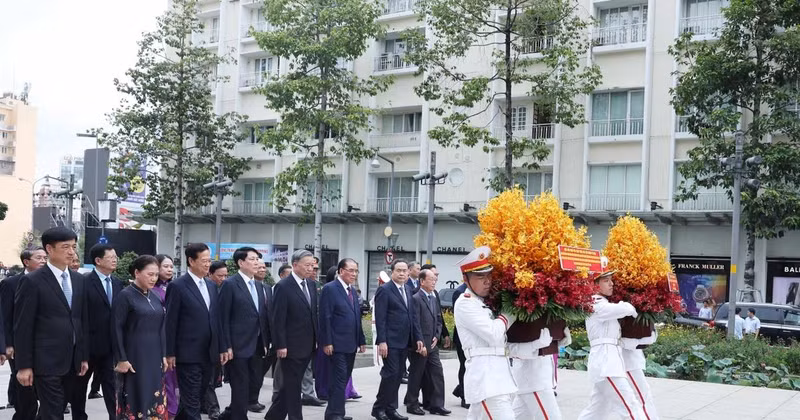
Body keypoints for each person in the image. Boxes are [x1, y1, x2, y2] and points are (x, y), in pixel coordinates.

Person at [14, 227, 88, 420]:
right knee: (54, 411)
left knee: (52, 411)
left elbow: (81, 321)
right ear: (49, 249)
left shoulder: (79, 280)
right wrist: (23, 366)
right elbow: (22, 326)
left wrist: (83, 356)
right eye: (65, 247)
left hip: (72, 361)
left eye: (73, 246)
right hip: (45, 362)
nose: (72, 252)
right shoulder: (32, 281)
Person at [453, 246, 517, 420]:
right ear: (465, 279)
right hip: (487, 380)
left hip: (496, 378)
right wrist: (510, 312)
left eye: (489, 275)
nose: (487, 281)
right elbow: (494, 333)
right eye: (480, 276)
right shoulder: (466, 303)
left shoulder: (483, 302)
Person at [166, 243, 225, 420]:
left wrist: (222, 347)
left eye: (209, 260)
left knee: (196, 397)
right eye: (204, 261)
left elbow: (216, 320)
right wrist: (170, 352)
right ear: (191, 261)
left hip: (209, 353)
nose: (208, 265)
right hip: (187, 353)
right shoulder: (178, 286)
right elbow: (170, 322)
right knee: (192, 401)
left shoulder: (211, 285)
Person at [577, 271, 646, 420]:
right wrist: (628, 305)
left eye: (611, 280)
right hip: (606, 364)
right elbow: (623, 310)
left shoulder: (602, 303)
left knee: (596, 411)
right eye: (606, 280)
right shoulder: (595, 303)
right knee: (630, 405)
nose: (611, 284)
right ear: (594, 285)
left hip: (608, 362)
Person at [112, 255, 168, 419]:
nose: (154, 278)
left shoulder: (155, 296)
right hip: (134, 355)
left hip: (154, 355)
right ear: (137, 272)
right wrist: (121, 358)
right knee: (136, 395)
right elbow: (116, 328)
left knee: (154, 394)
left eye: (156, 275)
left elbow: (161, 327)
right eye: (150, 274)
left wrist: (164, 354)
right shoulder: (125, 296)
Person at [266, 249, 318, 420]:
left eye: (313, 265)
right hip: (290, 346)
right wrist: (280, 344)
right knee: (294, 387)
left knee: (289, 385)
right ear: (295, 265)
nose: (311, 268)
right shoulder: (283, 286)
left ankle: (274, 416)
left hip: (308, 344)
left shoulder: (310, 284)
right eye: (308, 265)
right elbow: (278, 319)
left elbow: (312, 314)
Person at [220, 247, 271, 420]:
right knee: (240, 387)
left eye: (258, 259)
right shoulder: (230, 284)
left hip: (257, 344)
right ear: (241, 263)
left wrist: (266, 342)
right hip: (237, 345)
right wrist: (226, 345)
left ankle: (229, 415)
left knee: (253, 384)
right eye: (253, 259)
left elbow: (261, 316)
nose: (257, 262)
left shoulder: (258, 285)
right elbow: (223, 318)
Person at [74, 244, 123, 420]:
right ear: (98, 260)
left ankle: (115, 417)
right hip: (88, 347)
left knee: (112, 386)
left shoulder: (117, 283)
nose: (115, 259)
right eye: (111, 257)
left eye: (115, 256)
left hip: (110, 347)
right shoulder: (84, 282)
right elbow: (79, 317)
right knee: (79, 387)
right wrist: (81, 350)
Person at [372, 259, 425, 420]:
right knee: (390, 375)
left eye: (404, 271)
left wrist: (418, 337)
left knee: (397, 376)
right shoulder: (385, 290)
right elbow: (380, 318)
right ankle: (379, 408)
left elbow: (413, 317)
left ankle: (390, 409)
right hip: (390, 341)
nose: (402, 273)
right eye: (398, 270)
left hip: (405, 341)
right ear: (392, 272)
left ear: (408, 273)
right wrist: (382, 341)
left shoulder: (408, 290)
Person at [0, 247, 46, 419]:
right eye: (39, 257)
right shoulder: (10, 284)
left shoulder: (48, 281)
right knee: (25, 387)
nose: (43, 260)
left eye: (45, 257)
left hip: (43, 343)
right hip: (19, 344)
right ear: (26, 262)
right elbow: (5, 316)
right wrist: (8, 343)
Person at [318, 259, 366, 420]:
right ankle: (335, 414)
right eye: (350, 270)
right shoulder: (330, 289)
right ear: (340, 271)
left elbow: (356, 317)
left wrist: (361, 339)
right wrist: (327, 341)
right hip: (336, 344)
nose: (353, 274)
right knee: (339, 379)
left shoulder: (351, 290)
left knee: (343, 379)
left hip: (350, 344)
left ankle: (335, 411)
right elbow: (325, 316)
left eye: (356, 271)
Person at [404, 269, 450, 416]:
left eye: (435, 279)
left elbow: (438, 319)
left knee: (437, 373)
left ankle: (436, 404)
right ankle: (412, 404)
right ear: (422, 281)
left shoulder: (434, 297)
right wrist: (420, 342)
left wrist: (437, 336)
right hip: (420, 344)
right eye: (431, 279)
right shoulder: (416, 298)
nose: (434, 281)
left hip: (432, 344)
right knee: (417, 375)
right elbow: (415, 322)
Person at [507, 324, 571, 419]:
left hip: (535, 382)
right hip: (535, 382)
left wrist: (557, 342)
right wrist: (535, 345)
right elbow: (508, 348)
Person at [202, 260, 229, 419]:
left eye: (226, 275)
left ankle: (205, 405)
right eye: (220, 276)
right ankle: (213, 409)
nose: (223, 279)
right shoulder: (206, 289)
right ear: (210, 274)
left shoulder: (223, 289)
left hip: (218, 341)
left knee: (213, 378)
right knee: (209, 379)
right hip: (202, 342)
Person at [154, 254, 180, 417]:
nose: (170, 269)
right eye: (166, 266)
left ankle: (174, 408)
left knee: (174, 376)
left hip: (173, 337)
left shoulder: (175, 287)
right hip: (156, 337)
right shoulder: (151, 289)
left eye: (171, 266)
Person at [250, 260, 275, 413]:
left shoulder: (268, 289)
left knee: (260, 372)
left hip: (267, 338)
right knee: (252, 371)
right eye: (258, 267)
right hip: (251, 337)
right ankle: (248, 400)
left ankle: (253, 398)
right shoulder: (247, 288)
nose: (261, 270)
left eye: (264, 267)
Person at [301, 258, 325, 408]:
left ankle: (308, 394)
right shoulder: (289, 285)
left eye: (315, 268)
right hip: (295, 335)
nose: (313, 271)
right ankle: (280, 394)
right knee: (284, 370)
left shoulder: (315, 286)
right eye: (310, 267)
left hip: (313, 331)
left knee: (308, 365)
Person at [450, 281, 469, 409]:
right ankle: (464, 396)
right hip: (462, 336)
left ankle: (460, 389)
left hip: (473, 336)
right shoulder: (460, 292)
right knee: (465, 365)